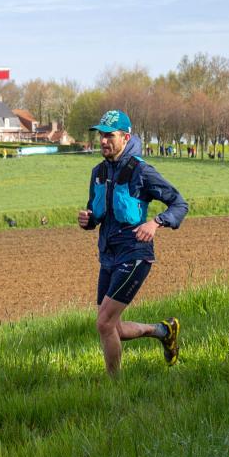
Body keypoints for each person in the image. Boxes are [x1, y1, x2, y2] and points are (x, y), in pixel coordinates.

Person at [78, 110, 189, 376]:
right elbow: (99, 213)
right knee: (112, 326)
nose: (103, 141)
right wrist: (89, 220)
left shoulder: (141, 171)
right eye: (101, 135)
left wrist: (156, 223)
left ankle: (114, 386)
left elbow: (179, 203)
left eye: (110, 135)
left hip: (135, 254)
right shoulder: (98, 172)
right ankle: (163, 331)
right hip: (108, 255)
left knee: (104, 324)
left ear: (126, 137)